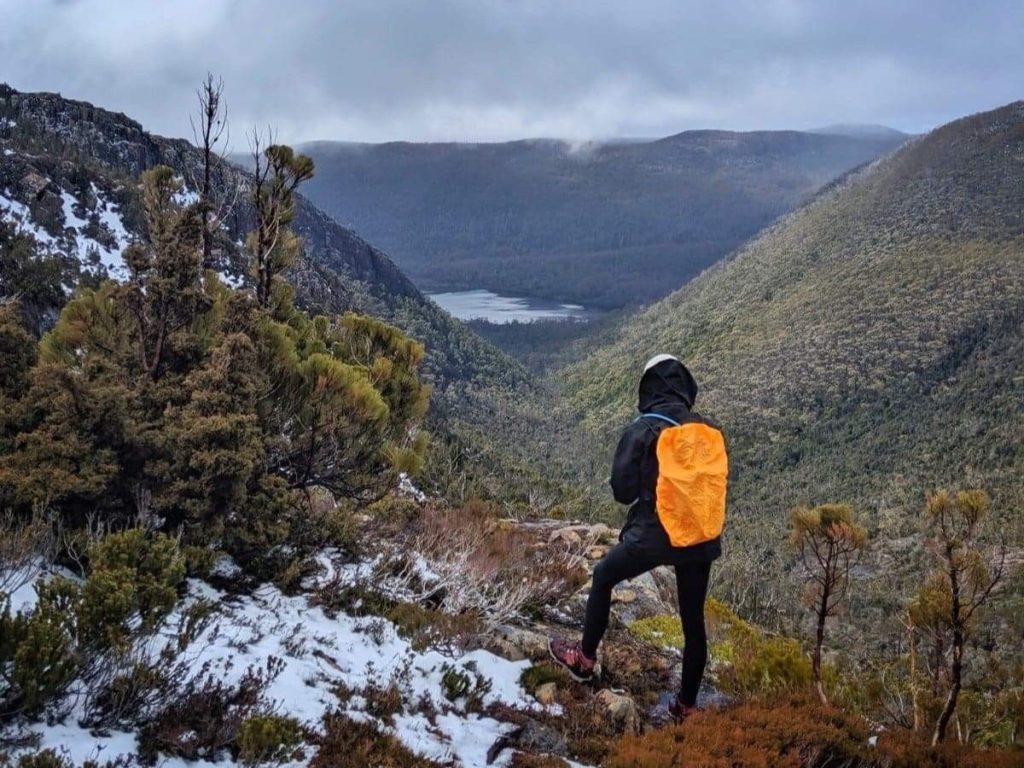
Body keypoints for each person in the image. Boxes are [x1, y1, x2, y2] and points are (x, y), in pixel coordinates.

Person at [549, 354, 726, 722]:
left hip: (653, 536)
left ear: (649, 386)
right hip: (697, 538)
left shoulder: (644, 428)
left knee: (603, 577)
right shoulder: (708, 430)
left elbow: (622, 491)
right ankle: (687, 705)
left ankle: (584, 659)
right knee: (693, 622)